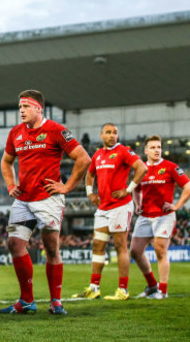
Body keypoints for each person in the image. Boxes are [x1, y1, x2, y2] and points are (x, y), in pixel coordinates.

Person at [0, 89, 90, 315]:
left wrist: (67, 187)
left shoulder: (56, 130)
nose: (21, 111)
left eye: (26, 106)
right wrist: (11, 185)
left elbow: (83, 158)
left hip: (49, 199)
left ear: (39, 108)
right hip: (23, 200)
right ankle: (27, 300)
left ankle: (56, 301)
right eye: (19, 107)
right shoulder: (15, 133)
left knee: (51, 247)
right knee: (14, 244)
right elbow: (6, 161)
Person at [72, 123, 147, 301]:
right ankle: (94, 288)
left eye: (114, 133)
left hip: (120, 206)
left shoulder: (123, 151)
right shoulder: (97, 155)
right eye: (108, 132)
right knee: (98, 245)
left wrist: (128, 190)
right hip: (103, 207)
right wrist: (90, 193)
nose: (112, 135)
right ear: (101, 135)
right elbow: (89, 175)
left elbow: (142, 168)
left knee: (120, 246)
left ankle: (123, 290)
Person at [130, 135, 190, 299]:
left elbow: (189, 187)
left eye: (159, 147)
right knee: (135, 252)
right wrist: (138, 204)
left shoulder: (171, 167)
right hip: (145, 215)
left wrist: (176, 206)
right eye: (153, 147)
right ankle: (152, 286)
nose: (157, 150)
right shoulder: (141, 169)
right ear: (146, 151)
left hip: (164, 216)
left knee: (160, 250)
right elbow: (136, 188)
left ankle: (163, 291)